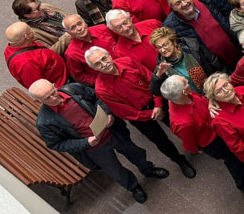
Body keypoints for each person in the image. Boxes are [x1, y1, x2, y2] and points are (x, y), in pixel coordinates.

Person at [29, 78, 163, 204]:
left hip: (112, 132)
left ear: (54, 85)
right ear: (38, 101)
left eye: (53, 92)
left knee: (134, 152)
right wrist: (86, 142)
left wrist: (107, 113)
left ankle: (148, 169)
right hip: (94, 148)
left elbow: (98, 97)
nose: (54, 98)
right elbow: (56, 144)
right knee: (115, 171)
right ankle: (134, 187)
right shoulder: (44, 122)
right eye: (48, 98)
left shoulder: (73, 89)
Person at [85, 47, 195, 177]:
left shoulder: (128, 61)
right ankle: (180, 161)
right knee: (161, 141)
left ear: (109, 56)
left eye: (104, 58)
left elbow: (151, 80)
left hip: (156, 100)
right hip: (140, 117)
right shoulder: (101, 89)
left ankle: (195, 144)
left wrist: (158, 105)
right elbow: (125, 112)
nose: (104, 64)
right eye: (98, 64)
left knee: (180, 125)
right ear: (94, 68)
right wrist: (150, 114)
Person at [159, 76, 244, 200]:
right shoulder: (182, 122)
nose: (188, 81)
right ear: (183, 92)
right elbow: (188, 141)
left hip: (222, 127)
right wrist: (195, 149)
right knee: (233, 161)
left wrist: (210, 101)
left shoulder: (182, 96)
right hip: (214, 141)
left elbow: (203, 99)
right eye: (186, 83)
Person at [163, 0, 241, 68]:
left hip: (242, 50)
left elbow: (234, 14)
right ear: (173, 7)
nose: (184, 4)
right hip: (218, 68)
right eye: (178, 3)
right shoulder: (171, 26)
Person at [148, 25, 222, 96]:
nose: (163, 50)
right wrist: (158, 75)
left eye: (165, 45)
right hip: (192, 101)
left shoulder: (193, 48)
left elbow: (216, 64)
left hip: (214, 89)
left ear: (174, 42)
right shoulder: (162, 66)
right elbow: (156, 91)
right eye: (159, 47)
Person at [4, 23, 68, 89]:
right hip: (62, 84)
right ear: (26, 36)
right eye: (30, 30)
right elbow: (40, 87)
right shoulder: (25, 64)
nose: (33, 30)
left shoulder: (16, 46)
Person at [62, 15, 114, 87]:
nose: (79, 28)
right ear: (68, 33)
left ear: (85, 22)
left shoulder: (103, 29)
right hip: (108, 82)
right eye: (73, 28)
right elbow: (79, 75)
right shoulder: (71, 54)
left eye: (80, 23)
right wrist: (100, 82)